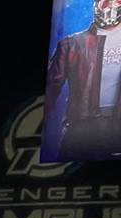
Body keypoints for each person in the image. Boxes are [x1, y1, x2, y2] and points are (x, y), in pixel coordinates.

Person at [47, 0, 121, 160]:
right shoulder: (71, 44)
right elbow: (50, 90)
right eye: (105, 1)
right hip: (81, 128)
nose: (109, 5)